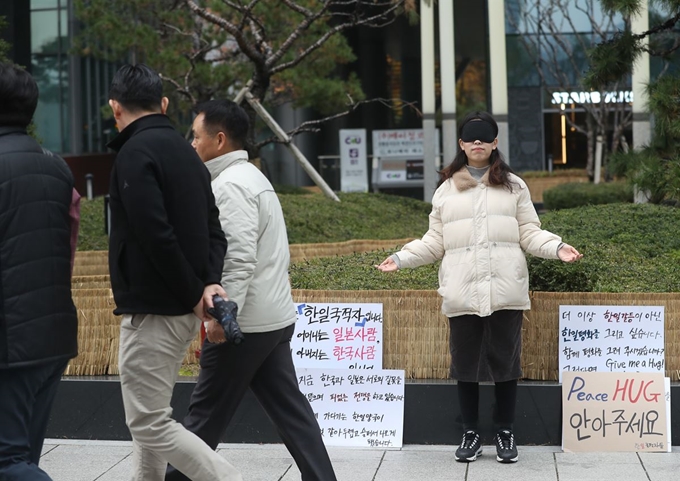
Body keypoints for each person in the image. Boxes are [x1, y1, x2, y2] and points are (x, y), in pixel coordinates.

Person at [376, 111, 583, 464]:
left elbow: (530, 232)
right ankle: (470, 433)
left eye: (484, 137)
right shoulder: (446, 191)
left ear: (495, 143)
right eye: (471, 138)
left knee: (506, 365)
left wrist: (556, 247)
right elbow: (434, 241)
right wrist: (402, 257)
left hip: (506, 289)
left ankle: (505, 432)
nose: (477, 143)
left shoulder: (514, 186)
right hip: (461, 290)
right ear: (461, 144)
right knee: (465, 365)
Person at [165, 100, 337, 481]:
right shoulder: (252, 177)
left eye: (196, 136)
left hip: (245, 324)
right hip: (271, 320)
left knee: (202, 419)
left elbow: (237, 259)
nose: (191, 144)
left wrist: (223, 317)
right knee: (293, 414)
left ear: (220, 139)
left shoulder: (230, 186)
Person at [106, 65, 241, 481]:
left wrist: (190, 291)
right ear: (163, 104)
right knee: (151, 418)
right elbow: (214, 231)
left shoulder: (134, 154)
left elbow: (155, 237)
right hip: (180, 305)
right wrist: (206, 285)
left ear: (115, 108)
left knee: (148, 422)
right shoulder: (188, 153)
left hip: (155, 308)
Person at [0, 62, 80, 480]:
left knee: (8, 463)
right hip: (52, 335)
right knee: (23, 458)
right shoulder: (57, 167)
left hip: (10, 342)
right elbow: (66, 248)